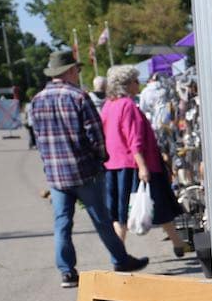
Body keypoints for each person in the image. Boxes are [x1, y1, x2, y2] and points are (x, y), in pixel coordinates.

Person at [32, 50, 148, 288]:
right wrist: (101, 158)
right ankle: (120, 260)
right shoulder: (78, 97)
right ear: (71, 71)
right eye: (77, 70)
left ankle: (67, 271)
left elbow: (38, 138)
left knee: (62, 223)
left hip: (56, 175)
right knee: (102, 220)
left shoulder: (37, 100)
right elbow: (95, 135)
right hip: (84, 171)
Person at [100, 65, 190, 256]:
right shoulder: (128, 105)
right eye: (134, 80)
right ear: (126, 84)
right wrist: (142, 166)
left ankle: (177, 242)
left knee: (121, 210)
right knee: (153, 204)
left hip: (114, 165)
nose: (137, 84)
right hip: (135, 164)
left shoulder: (108, 105)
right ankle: (120, 254)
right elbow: (135, 138)